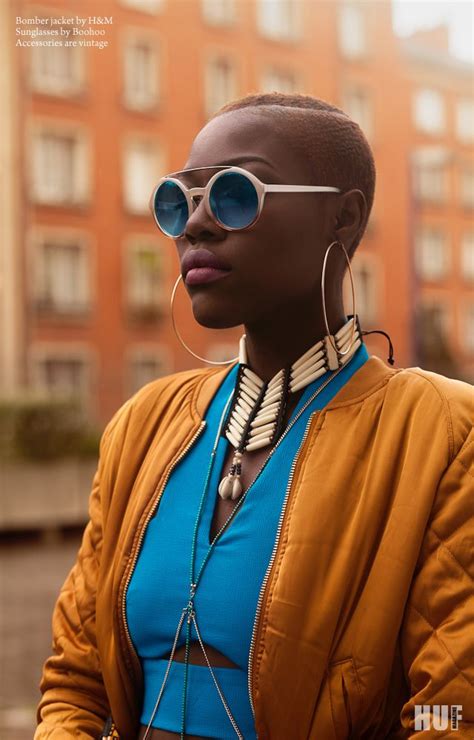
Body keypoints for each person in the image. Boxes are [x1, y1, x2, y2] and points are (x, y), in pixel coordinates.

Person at [35, 93, 473, 740]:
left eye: (236, 193)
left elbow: (449, 713)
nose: (197, 224)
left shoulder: (441, 433)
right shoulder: (143, 426)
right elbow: (73, 683)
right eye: (178, 202)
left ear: (343, 217)